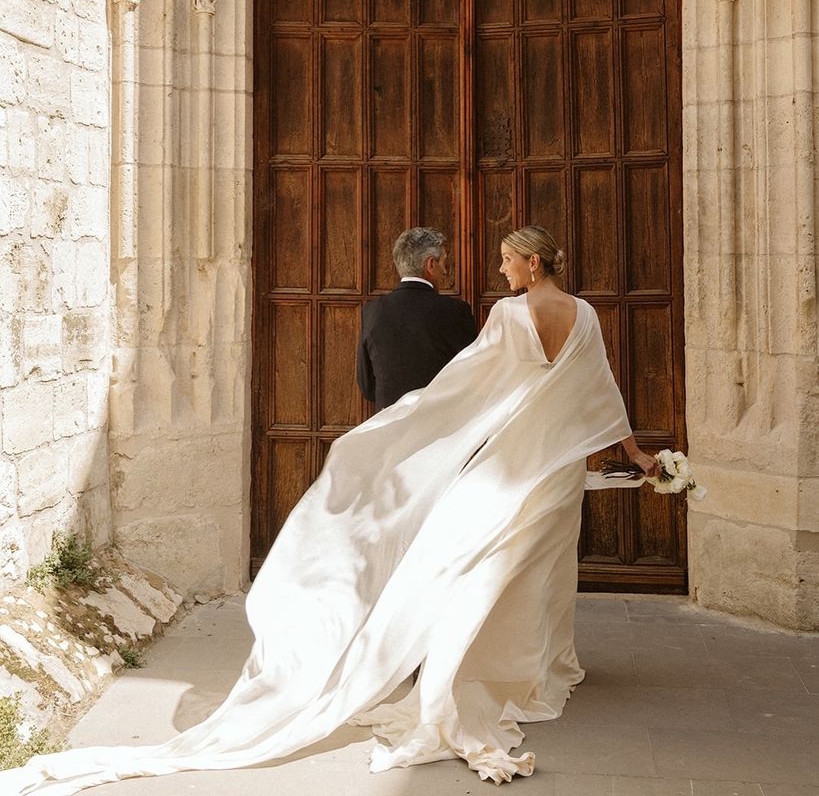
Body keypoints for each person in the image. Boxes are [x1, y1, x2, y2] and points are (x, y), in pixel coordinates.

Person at [3, 226, 656, 794]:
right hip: (554, 467)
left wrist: (402, 428)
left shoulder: (509, 318)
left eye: (509, 261)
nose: (500, 270)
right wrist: (638, 454)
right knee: (543, 571)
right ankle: (538, 670)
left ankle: (495, 671)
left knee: (488, 568)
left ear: (532, 265)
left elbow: (463, 387)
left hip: (507, 460)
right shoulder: (585, 316)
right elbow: (601, 394)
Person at [356, 227, 478, 409]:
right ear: (430, 264)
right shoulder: (455, 311)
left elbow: (366, 386)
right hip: (441, 425)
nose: (445, 271)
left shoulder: (373, 310)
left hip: (390, 425)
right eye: (444, 262)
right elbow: (473, 375)